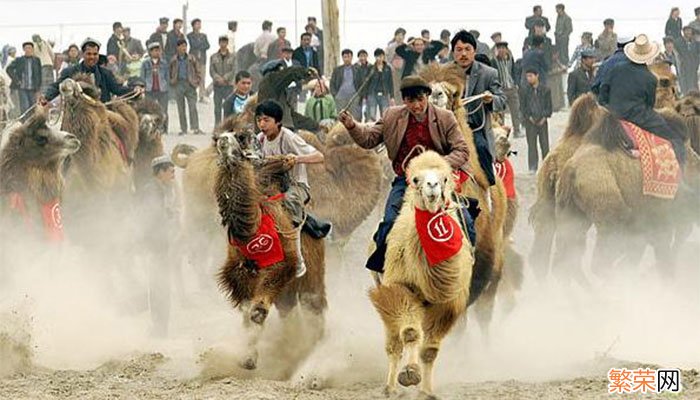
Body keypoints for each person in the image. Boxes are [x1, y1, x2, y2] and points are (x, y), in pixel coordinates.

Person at [338, 75, 469, 272]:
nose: (416, 105)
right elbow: (369, 139)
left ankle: (470, 260)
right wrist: (351, 126)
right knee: (390, 221)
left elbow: (462, 150)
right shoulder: (392, 116)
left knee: (466, 220)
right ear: (404, 100)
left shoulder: (445, 118)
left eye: (420, 99)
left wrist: (437, 166)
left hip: (438, 182)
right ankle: (385, 268)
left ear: (427, 96)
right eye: (410, 100)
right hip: (406, 181)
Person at [255, 99, 325, 277]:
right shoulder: (259, 140)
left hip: (295, 185)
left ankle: (297, 259)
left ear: (278, 121)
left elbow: (319, 156)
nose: (262, 124)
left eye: (266, 120)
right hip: (269, 185)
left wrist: (297, 159)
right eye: (259, 120)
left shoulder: (289, 137)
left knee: (290, 202)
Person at [599, 34, 686, 166]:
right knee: (675, 138)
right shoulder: (650, 78)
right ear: (649, 56)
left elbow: (603, 92)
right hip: (638, 117)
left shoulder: (616, 69)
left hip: (613, 114)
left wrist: (609, 106)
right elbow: (649, 105)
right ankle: (680, 175)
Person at [453, 30, 506, 187]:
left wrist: (490, 100)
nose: (463, 54)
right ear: (453, 52)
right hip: (449, 130)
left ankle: (489, 187)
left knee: (481, 148)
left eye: (467, 49)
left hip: (477, 128)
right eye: (459, 49)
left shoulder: (488, 73)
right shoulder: (444, 73)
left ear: (474, 51)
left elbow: (502, 100)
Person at [139, 155, 181, 338]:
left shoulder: (162, 188)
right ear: (160, 172)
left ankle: (160, 327)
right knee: (159, 287)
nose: (173, 175)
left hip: (160, 245)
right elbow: (151, 217)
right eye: (171, 171)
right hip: (157, 246)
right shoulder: (152, 190)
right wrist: (170, 215)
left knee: (160, 286)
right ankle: (160, 328)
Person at [42, 38, 137, 104]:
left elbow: (117, 89)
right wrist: (46, 98)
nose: (92, 57)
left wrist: (135, 91)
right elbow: (57, 86)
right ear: (83, 54)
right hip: (77, 115)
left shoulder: (105, 74)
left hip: (102, 115)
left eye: (95, 54)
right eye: (89, 54)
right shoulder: (70, 72)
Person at [519, 69, 552, 172]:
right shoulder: (524, 90)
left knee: (545, 144)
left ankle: (547, 167)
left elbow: (549, 107)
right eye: (527, 76)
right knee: (532, 145)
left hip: (542, 121)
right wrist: (529, 117)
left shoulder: (546, 90)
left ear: (537, 75)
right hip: (530, 122)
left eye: (531, 76)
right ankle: (532, 167)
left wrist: (544, 117)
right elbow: (523, 107)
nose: (529, 78)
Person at [169, 39, 201, 135]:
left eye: (185, 46)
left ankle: (195, 127)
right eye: (182, 46)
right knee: (181, 108)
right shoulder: (174, 60)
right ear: (177, 48)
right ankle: (183, 129)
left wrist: (197, 81)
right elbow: (170, 72)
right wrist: (172, 81)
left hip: (190, 84)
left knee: (192, 106)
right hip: (179, 84)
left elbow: (198, 70)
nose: (184, 48)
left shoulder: (192, 58)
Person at [491, 41, 522, 137]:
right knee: (501, 113)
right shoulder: (494, 61)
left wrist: (516, 83)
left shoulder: (510, 59)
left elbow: (514, 71)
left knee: (515, 110)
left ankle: (517, 131)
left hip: (511, 88)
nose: (501, 50)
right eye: (499, 48)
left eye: (503, 48)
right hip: (501, 90)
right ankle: (502, 133)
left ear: (506, 50)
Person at [141, 42, 170, 134]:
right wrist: (143, 86)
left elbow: (167, 76)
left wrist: (167, 86)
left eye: (159, 50)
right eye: (155, 51)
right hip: (150, 90)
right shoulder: (145, 63)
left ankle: (164, 128)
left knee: (163, 110)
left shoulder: (164, 63)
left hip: (162, 89)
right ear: (150, 52)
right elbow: (142, 76)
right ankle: (152, 128)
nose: (157, 52)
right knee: (150, 110)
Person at [6, 42, 41, 113]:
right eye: (26, 48)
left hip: (33, 87)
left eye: (30, 48)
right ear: (23, 50)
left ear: (32, 49)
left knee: (32, 107)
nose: (28, 50)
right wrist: (16, 80)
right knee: (25, 107)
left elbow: (39, 74)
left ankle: (32, 123)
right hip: (22, 87)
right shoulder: (19, 60)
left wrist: (38, 88)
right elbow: (8, 69)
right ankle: (24, 122)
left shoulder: (36, 60)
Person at [210, 35, 236, 126]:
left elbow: (233, 70)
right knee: (217, 108)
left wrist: (225, 78)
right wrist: (218, 78)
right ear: (219, 43)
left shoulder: (233, 57)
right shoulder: (213, 57)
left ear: (227, 43)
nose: (223, 44)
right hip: (217, 86)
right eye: (221, 42)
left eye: (225, 42)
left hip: (228, 86)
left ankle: (226, 126)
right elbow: (212, 70)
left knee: (228, 107)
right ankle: (217, 126)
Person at [330, 49, 361, 120]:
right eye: (345, 57)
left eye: (348, 57)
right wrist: (335, 95)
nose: (347, 59)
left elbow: (361, 82)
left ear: (352, 57)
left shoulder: (357, 69)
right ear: (342, 58)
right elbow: (332, 83)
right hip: (340, 97)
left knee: (354, 118)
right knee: (341, 118)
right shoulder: (337, 70)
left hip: (353, 97)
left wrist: (359, 95)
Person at [365, 48, 395, 122]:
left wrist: (392, 96)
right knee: (372, 115)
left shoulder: (387, 68)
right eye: (377, 56)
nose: (379, 58)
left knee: (385, 115)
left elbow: (390, 83)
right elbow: (367, 83)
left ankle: (384, 131)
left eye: (381, 56)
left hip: (384, 93)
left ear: (383, 56)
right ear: (375, 57)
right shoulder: (371, 68)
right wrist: (365, 96)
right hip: (372, 93)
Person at [187, 18, 210, 102]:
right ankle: (192, 95)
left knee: (202, 77)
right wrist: (201, 44)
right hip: (193, 59)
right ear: (193, 26)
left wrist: (200, 45)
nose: (199, 25)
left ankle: (202, 96)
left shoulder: (204, 35)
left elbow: (207, 45)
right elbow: (193, 44)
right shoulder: (190, 35)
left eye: (199, 24)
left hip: (202, 59)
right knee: (193, 77)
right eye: (197, 24)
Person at [675, 26, 700, 94]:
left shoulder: (694, 43)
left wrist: (696, 64)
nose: (688, 32)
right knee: (684, 88)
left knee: (694, 88)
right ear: (683, 32)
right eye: (687, 30)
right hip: (683, 69)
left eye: (690, 30)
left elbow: (697, 55)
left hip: (693, 69)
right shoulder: (678, 42)